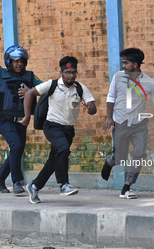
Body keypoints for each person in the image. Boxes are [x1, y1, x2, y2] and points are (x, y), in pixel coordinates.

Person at [20, 56, 97, 204]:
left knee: (54, 161)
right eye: (68, 72)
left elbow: (93, 109)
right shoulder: (52, 85)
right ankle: (64, 185)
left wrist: (90, 107)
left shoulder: (80, 88)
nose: (71, 75)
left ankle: (34, 186)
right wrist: (26, 116)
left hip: (68, 130)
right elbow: (29, 93)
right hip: (52, 125)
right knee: (63, 149)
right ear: (61, 72)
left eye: (74, 72)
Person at [101, 47, 154, 199]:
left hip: (139, 124)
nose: (123, 66)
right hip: (120, 123)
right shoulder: (118, 77)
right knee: (120, 158)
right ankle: (109, 163)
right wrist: (109, 118)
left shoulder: (150, 83)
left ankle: (127, 187)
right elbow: (110, 97)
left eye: (126, 63)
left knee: (140, 153)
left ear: (135, 65)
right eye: (123, 63)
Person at [0, 42, 42, 194]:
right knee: (16, 145)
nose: (19, 64)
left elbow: (44, 88)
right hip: (4, 120)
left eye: (21, 61)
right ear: (9, 61)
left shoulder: (30, 76)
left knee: (17, 150)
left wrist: (31, 91)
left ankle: (0, 177)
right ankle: (16, 182)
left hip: (21, 122)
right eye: (15, 61)